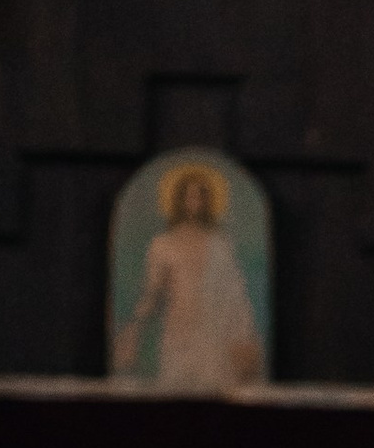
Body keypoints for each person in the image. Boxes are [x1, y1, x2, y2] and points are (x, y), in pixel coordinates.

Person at [111, 163, 267, 390]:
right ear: (180, 200)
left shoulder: (220, 245)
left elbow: (236, 297)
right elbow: (152, 294)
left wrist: (245, 338)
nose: (194, 202)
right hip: (178, 332)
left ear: (207, 201)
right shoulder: (163, 245)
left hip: (214, 334)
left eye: (199, 196)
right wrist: (134, 327)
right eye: (189, 196)